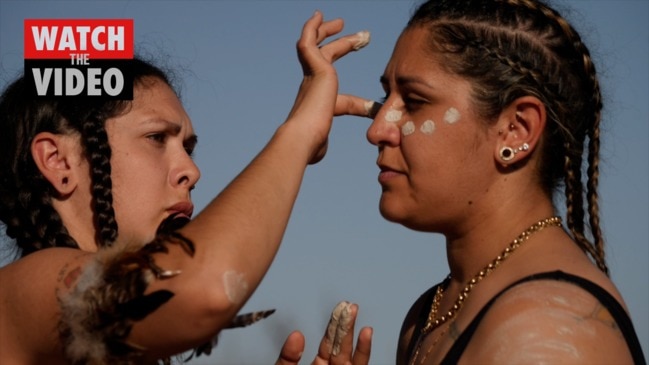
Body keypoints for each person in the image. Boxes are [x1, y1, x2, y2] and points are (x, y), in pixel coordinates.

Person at [0, 12, 372, 365]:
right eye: (156, 138)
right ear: (58, 161)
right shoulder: (19, 294)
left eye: (188, 148)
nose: (191, 171)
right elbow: (204, 291)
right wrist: (300, 133)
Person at [300, 0, 646, 364]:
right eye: (388, 97)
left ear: (516, 131)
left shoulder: (548, 331)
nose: (377, 130)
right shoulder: (431, 312)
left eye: (414, 102)